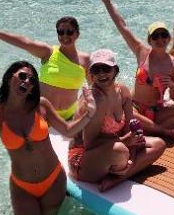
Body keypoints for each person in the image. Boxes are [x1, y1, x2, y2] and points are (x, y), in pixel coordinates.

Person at [0, 61, 96, 215]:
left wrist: (89, 114)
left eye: (32, 81)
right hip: (22, 188)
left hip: (54, 179)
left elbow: (67, 130)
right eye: (22, 76)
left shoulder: (40, 105)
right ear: (9, 78)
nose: (27, 82)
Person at [67, 49, 166, 192]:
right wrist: (127, 142)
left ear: (115, 70)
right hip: (84, 160)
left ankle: (119, 177)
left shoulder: (123, 91)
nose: (101, 73)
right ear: (91, 74)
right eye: (96, 69)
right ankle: (122, 171)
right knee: (120, 151)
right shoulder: (96, 100)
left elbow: (130, 130)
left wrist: (132, 149)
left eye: (106, 68)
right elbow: (89, 144)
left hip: (114, 148)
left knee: (158, 144)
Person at [97, 0, 174, 137]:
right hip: (134, 108)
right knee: (125, 115)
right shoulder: (141, 51)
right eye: (155, 36)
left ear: (169, 38)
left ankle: (149, 128)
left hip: (156, 109)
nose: (160, 39)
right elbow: (122, 26)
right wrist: (107, 2)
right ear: (149, 40)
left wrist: (171, 86)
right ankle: (160, 130)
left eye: (163, 35)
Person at [0, 16, 89, 120]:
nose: (65, 36)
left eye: (69, 32)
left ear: (77, 34)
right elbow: (25, 43)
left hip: (71, 115)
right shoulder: (49, 52)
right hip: (41, 113)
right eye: (61, 32)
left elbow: (94, 86)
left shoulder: (85, 60)